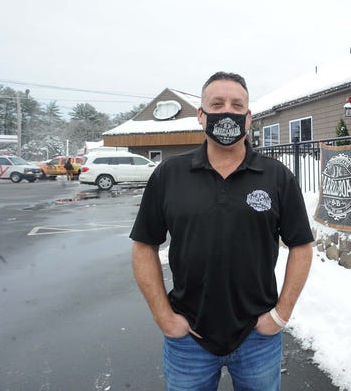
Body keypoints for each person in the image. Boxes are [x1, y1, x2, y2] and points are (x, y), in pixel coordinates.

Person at [131, 71, 314, 390]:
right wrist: (164, 317)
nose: (227, 111)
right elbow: (144, 246)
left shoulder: (277, 177)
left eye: (236, 104)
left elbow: (301, 246)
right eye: (217, 104)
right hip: (188, 339)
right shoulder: (169, 175)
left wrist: (280, 316)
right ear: (201, 116)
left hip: (258, 339)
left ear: (248, 117)